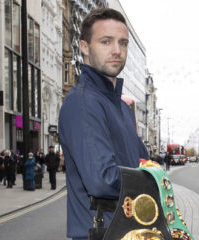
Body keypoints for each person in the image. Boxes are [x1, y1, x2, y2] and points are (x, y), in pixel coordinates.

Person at [58, 8, 148, 240]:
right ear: (85, 47)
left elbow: (141, 161)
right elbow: (102, 180)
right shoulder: (83, 102)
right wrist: (153, 179)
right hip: (101, 232)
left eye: (123, 43)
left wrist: (147, 170)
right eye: (106, 42)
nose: (117, 51)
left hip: (127, 231)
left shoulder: (122, 108)